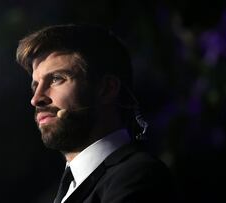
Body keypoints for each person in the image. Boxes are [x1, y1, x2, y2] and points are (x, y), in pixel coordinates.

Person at [16, 24, 175, 203]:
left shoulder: (138, 176)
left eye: (56, 79)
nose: (36, 99)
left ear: (107, 89)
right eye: (35, 86)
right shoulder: (65, 189)